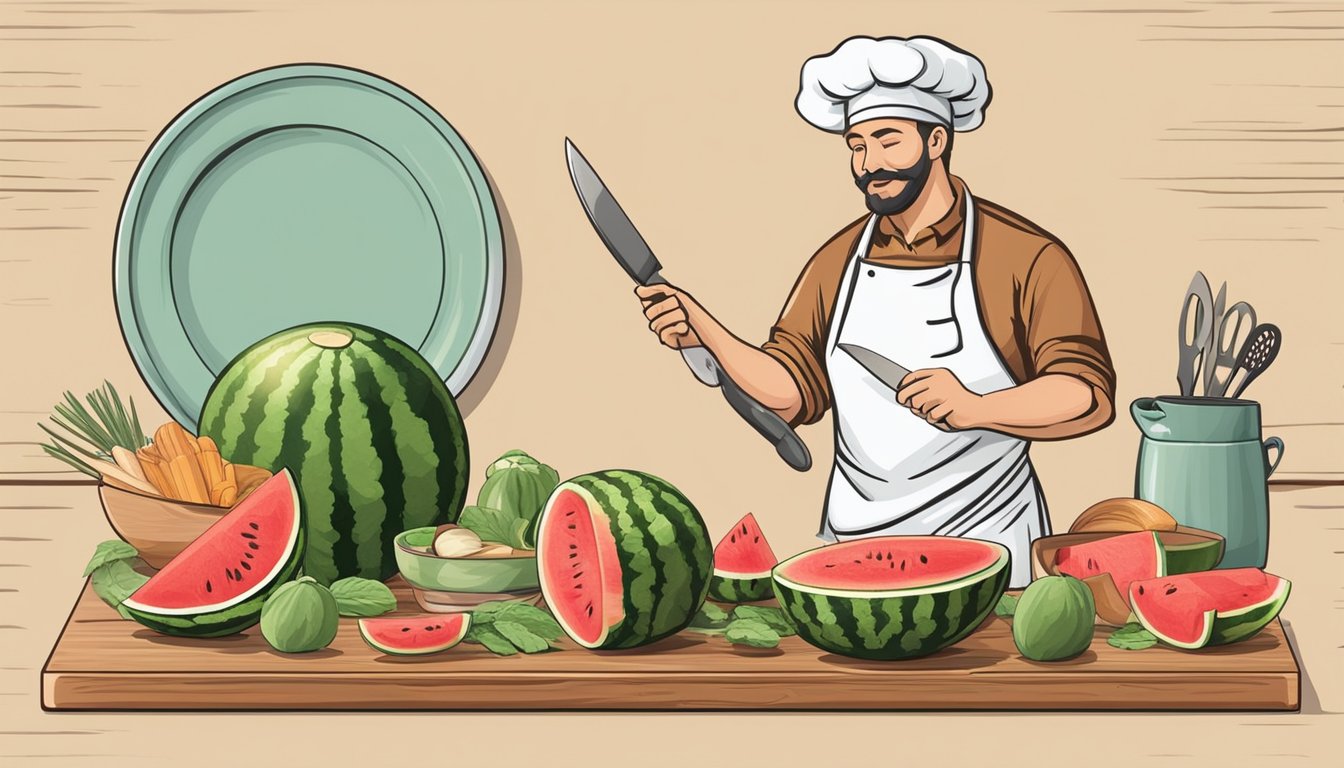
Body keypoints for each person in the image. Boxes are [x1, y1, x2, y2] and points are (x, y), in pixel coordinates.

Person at [635, 36, 1116, 587]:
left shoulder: (1026, 254)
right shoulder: (837, 259)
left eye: (888, 141)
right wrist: (704, 329)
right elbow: (792, 391)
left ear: (937, 139)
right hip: (853, 552)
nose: (869, 164)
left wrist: (976, 407)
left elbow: (1085, 396)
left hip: (989, 553)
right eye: (857, 146)